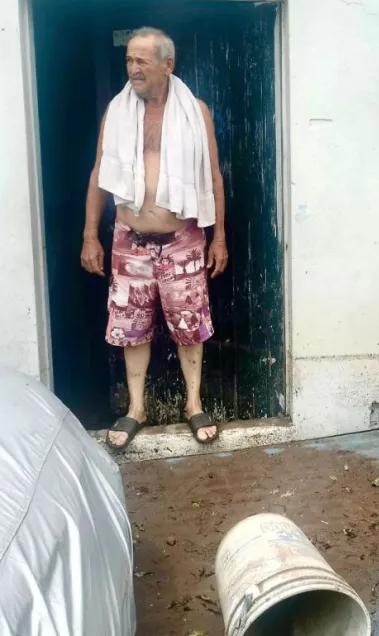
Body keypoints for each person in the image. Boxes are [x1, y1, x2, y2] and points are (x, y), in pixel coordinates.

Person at [80, 27, 228, 450]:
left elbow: (214, 176)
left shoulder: (194, 112)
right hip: (129, 238)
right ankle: (136, 409)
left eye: (141, 61)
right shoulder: (117, 111)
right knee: (132, 327)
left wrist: (219, 239)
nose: (132, 69)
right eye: (128, 61)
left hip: (183, 237)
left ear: (168, 64)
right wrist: (91, 235)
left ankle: (193, 403)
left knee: (189, 324)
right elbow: (99, 174)